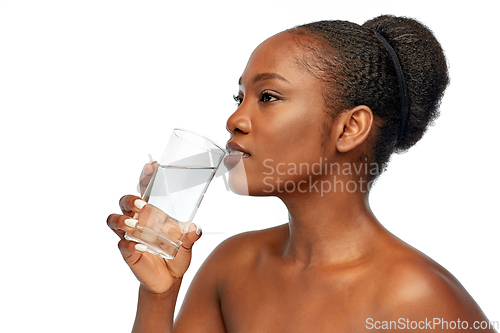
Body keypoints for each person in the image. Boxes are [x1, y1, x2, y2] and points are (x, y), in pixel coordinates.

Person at [107, 15, 496, 332]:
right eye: (239, 97)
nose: (234, 119)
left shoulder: (420, 301)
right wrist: (159, 294)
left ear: (350, 128)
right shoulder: (232, 267)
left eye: (268, 97)